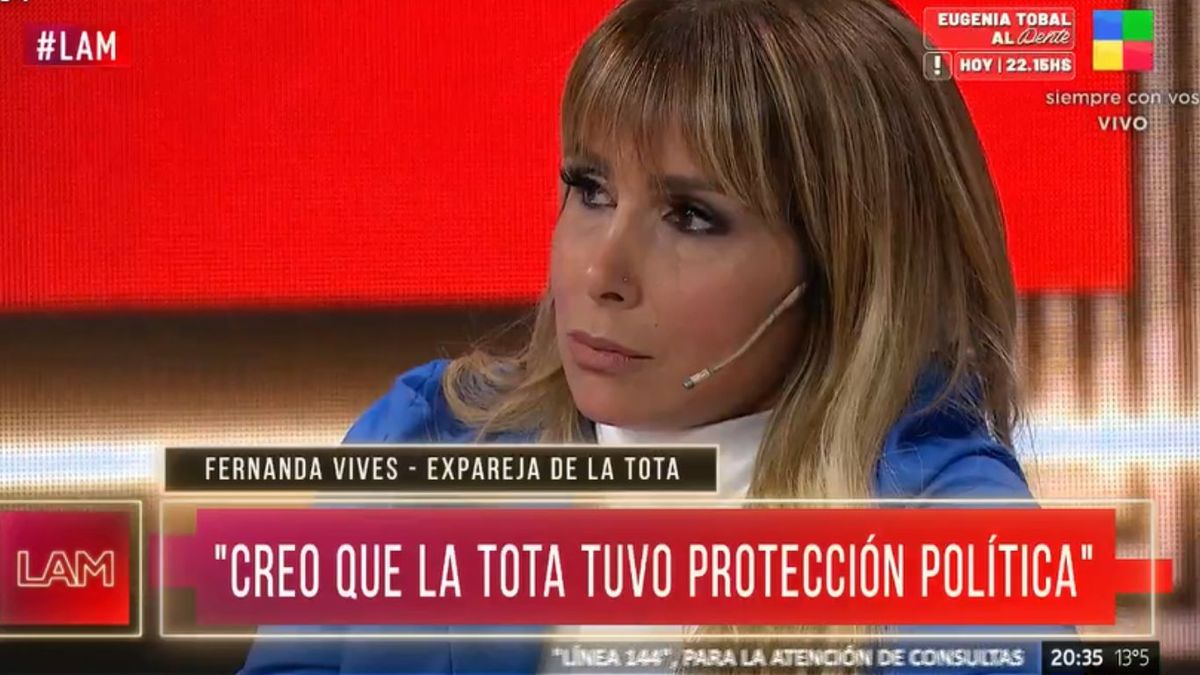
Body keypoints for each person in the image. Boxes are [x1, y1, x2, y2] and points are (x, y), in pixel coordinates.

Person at [242, 0, 1048, 672]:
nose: (602, 271)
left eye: (690, 217)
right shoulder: (423, 439)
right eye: (590, 189)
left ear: (850, 269)